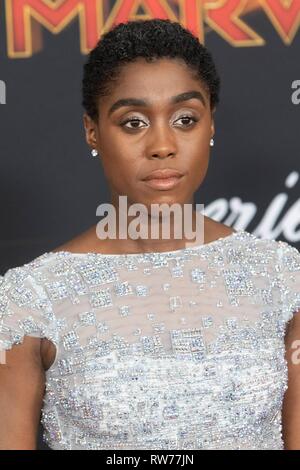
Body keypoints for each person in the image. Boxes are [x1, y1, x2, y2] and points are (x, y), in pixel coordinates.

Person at [0, 18, 300, 451]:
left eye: (185, 118)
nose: (162, 144)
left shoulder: (284, 279)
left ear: (210, 124)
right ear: (92, 131)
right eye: (134, 122)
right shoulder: (29, 300)